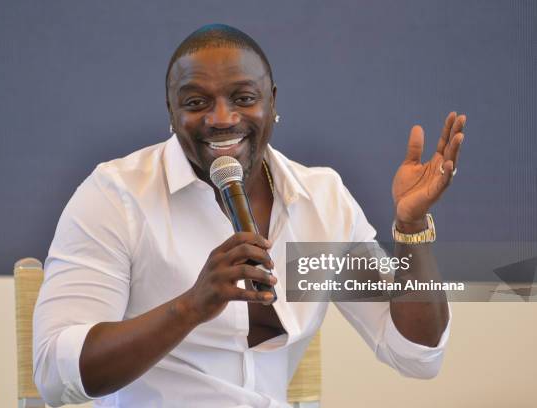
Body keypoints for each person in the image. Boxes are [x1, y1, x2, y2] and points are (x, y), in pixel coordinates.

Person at [33, 24, 466, 408]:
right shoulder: (117, 197)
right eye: (197, 101)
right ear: (171, 111)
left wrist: (411, 229)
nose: (222, 119)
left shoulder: (320, 201)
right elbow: (56, 374)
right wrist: (189, 307)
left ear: (271, 102)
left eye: (243, 98)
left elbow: (416, 353)